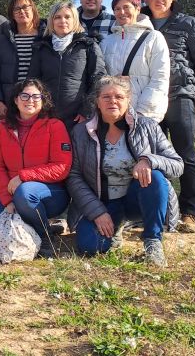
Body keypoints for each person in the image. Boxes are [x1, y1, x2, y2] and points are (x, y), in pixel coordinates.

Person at [67, 76, 184, 267]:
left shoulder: (148, 127)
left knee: (154, 176)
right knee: (90, 246)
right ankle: (117, 224)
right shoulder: (81, 132)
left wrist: (148, 160)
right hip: (102, 203)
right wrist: (97, 212)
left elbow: (177, 164)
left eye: (119, 97)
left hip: (136, 199)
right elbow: (74, 177)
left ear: (128, 100)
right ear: (97, 101)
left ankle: (152, 241)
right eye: (106, 97)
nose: (112, 101)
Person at [143, 0, 195, 233]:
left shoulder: (189, 24)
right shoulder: (141, 22)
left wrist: (193, 91)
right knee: (154, 156)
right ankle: (160, 208)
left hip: (179, 96)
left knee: (186, 154)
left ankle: (190, 212)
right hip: (150, 99)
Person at [0, 80, 71, 257]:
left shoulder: (55, 126)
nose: (30, 100)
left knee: (25, 192)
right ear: (16, 100)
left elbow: (62, 167)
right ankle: (44, 227)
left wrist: (23, 176)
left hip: (48, 194)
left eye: (35, 96)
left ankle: (46, 237)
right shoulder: (2, 127)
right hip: (10, 192)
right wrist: (6, 200)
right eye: (24, 95)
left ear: (43, 100)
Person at [28, 2, 106, 131]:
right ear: (51, 21)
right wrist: (38, 110)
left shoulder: (88, 46)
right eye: (57, 17)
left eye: (67, 17)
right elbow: (32, 81)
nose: (62, 21)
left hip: (78, 118)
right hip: (46, 117)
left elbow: (99, 79)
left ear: (75, 19)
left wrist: (86, 110)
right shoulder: (41, 47)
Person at [100, 0, 170, 122]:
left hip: (143, 114)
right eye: (117, 9)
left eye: (126, 7)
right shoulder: (106, 42)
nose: (122, 12)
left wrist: (143, 111)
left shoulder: (154, 38)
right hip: (115, 114)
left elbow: (160, 78)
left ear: (138, 9)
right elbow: (100, 77)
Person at [0, 0, 47, 120]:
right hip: (9, 106)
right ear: (11, 13)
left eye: (25, 7)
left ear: (33, 9)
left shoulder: (47, 38)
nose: (21, 11)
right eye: (16, 8)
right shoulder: (2, 39)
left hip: (37, 106)